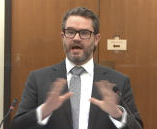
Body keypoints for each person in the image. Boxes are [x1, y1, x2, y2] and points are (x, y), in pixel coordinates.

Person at [11, 7, 143, 129]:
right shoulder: (38, 79)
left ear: (96, 39)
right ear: (63, 37)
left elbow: (137, 127)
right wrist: (43, 111)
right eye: (70, 32)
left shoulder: (118, 81)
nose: (76, 38)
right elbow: (17, 126)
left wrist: (118, 115)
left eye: (84, 33)